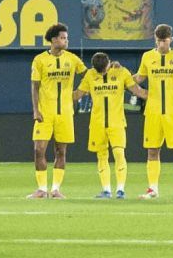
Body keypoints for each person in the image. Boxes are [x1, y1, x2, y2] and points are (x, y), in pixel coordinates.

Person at [131, 23, 173, 198]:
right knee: (152, 150)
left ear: (171, 40)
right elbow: (139, 78)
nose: (161, 45)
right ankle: (153, 189)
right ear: (155, 40)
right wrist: (122, 78)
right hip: (153, 111)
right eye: (159, 41)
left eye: (164, 41)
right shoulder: (147, 57)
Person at [28, 22, 85, 198]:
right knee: (39, 150)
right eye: (63, 38)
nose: (66, 41)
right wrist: (36, 110)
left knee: (61, 151)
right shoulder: (40, 60)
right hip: (45, 113)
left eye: (67, 38)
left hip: (66, 113)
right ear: (53, 40)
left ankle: (55, 189)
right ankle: (41, 189)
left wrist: (79, 93)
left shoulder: (73, 59)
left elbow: (90, 75)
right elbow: (35, 87)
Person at [79, 52, 132, 198]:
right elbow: (79, 93)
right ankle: (107, 190)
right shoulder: (90, 75)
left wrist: (150, 95)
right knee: (102, 156)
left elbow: (135, 88)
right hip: (97, 124)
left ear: (109, 63)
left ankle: (120, 190)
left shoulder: (121, 72)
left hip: (116, 122)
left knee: (119, 154)